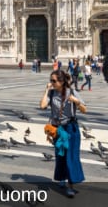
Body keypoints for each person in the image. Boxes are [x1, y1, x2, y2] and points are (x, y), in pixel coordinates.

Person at [40, 69, 86, 198]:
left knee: (70, 157)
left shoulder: (72, 92)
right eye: (51, 81)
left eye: (54, 81)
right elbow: (43, 106)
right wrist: (47, 90)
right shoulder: (52, 93)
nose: (51, 83)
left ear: (61, 81)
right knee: (60, 156)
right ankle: (62, 178)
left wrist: (76, 101)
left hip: (71, 129)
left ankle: (71, 186)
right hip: (57, 130)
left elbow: (84, 109)